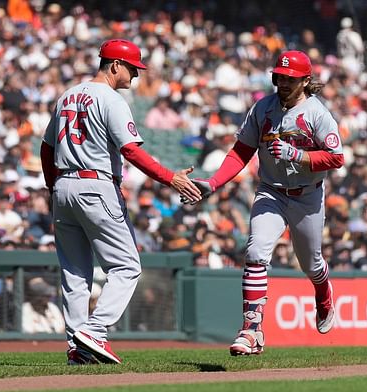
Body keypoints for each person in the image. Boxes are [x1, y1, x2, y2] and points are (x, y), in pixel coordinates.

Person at [40, 38, 202, 365]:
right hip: (96, 185)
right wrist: (170, 177)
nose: (136, 76)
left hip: (64, 186)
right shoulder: (110, 99)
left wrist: (52, 189)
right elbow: (130, 150)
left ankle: (77, 346)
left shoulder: (67, 95)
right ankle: (95, 331)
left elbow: (46, 149)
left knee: (74, 272)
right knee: (127, 266)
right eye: (132, 68)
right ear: (115, 65)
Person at [183, 50, 345, 356]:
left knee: (311, 264)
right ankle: (252, 330)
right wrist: (213, 183)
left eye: (290, 78)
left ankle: (323, 292)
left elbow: (336, 157)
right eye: (279, 77)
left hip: (307, 196)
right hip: (271, 191)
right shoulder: (263, 108)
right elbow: (241, 151)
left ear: (305, 81)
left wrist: (298, 155)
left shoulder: (318, 114)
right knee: (256, 253)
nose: (283, 82)